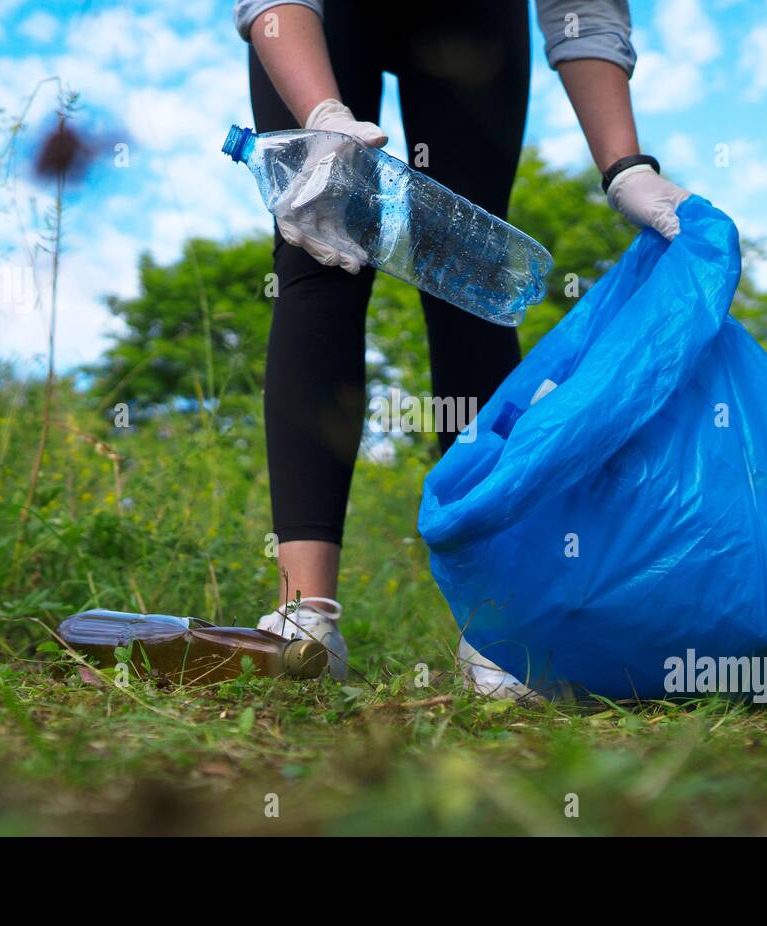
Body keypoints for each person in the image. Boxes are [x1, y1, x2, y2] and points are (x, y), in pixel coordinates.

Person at [234, 0, 690, 694]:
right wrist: (321, 120)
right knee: (323, 251)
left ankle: (495, 628)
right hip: (319, 16)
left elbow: (584, 12)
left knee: (472, 268)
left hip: (470, 19)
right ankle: (306, 620)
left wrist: (626, 166)